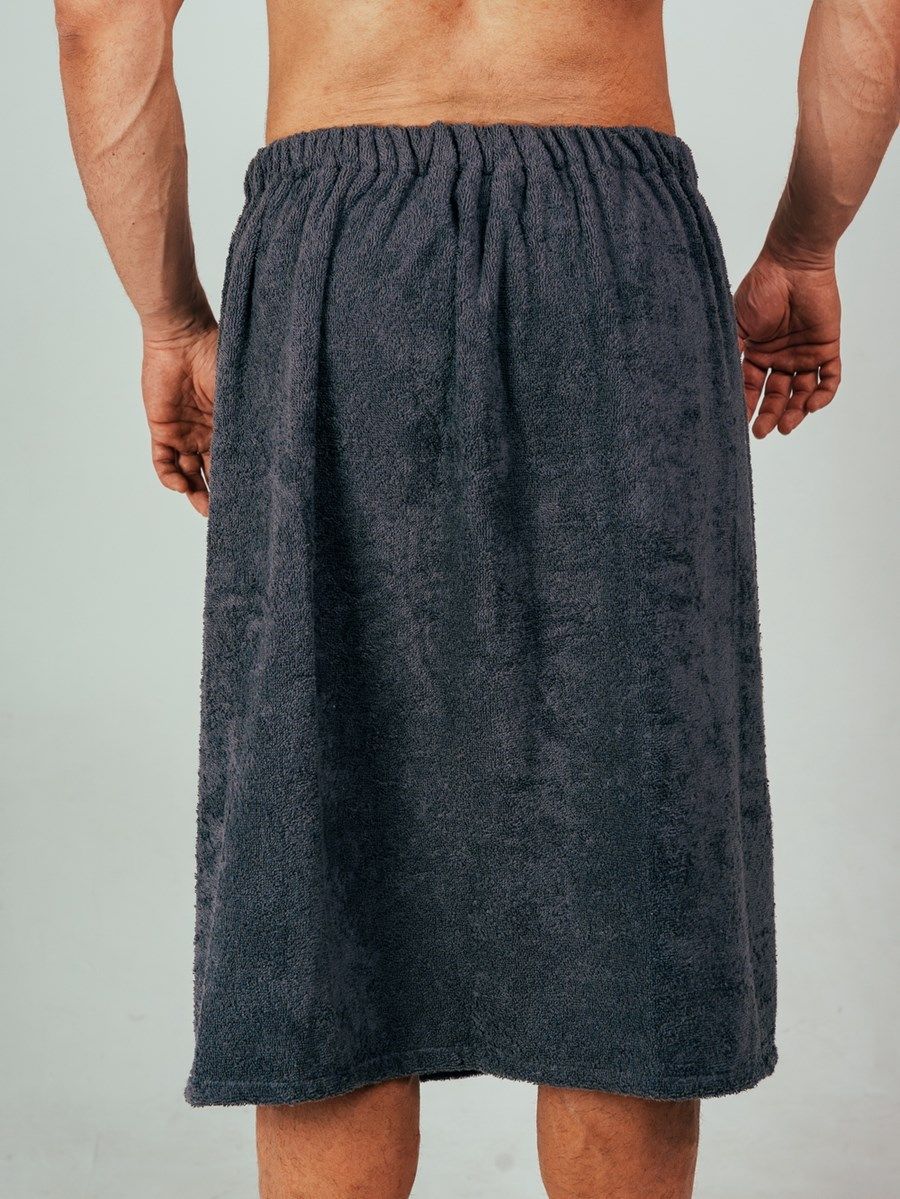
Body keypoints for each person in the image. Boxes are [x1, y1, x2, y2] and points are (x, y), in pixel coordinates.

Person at [55, 1, 898, 1196]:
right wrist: (804, 250)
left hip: (332, 252)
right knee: (626, 870)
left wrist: (171, 317)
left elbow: (99, 22)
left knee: (319, 851)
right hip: (613, 246)